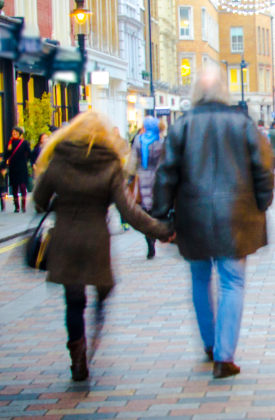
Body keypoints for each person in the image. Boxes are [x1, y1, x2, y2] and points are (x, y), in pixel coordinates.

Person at [152, 68, 274, 380]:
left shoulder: (182, 126)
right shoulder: (243, 123)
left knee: (199, 278)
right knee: (232, 282)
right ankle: (224, 356)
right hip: (237, 214)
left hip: (193, 215)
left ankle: (209, 343)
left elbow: (166, 173)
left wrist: (162, 215)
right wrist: (262, 202)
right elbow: (263, 167)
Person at [32, 112, 173, 381]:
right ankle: (98, 313)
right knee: (103, 286)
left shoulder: (60, 159)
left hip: (65, 239)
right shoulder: (109, 163)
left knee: (73, 302)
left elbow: (39, 199)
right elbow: (129, 211)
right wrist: (162, 230)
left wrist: (56, 200)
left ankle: (78, 358)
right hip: (95, 239)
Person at [126, 116, 166, 259]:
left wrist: (129, 177)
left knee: (145, 210)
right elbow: (166, 161)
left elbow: (132, 161)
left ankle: (149, 238)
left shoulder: (138, 140)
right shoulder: (161, 141)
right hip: (158, 178)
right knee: (155, 209)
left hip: (142, 178)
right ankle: (154, 234)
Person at [4, 126, 31, 213]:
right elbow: (6, 155)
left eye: (16, 132)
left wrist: (30, 162)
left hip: (22, 167)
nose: (14, 133)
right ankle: (16, 206)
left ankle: (23, 205)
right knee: (14, 188)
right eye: (13, 132)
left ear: (19, 134)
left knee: (23, 187)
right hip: (13, 167)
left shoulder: (24, 143)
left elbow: (29, 153)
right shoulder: (10, 143)